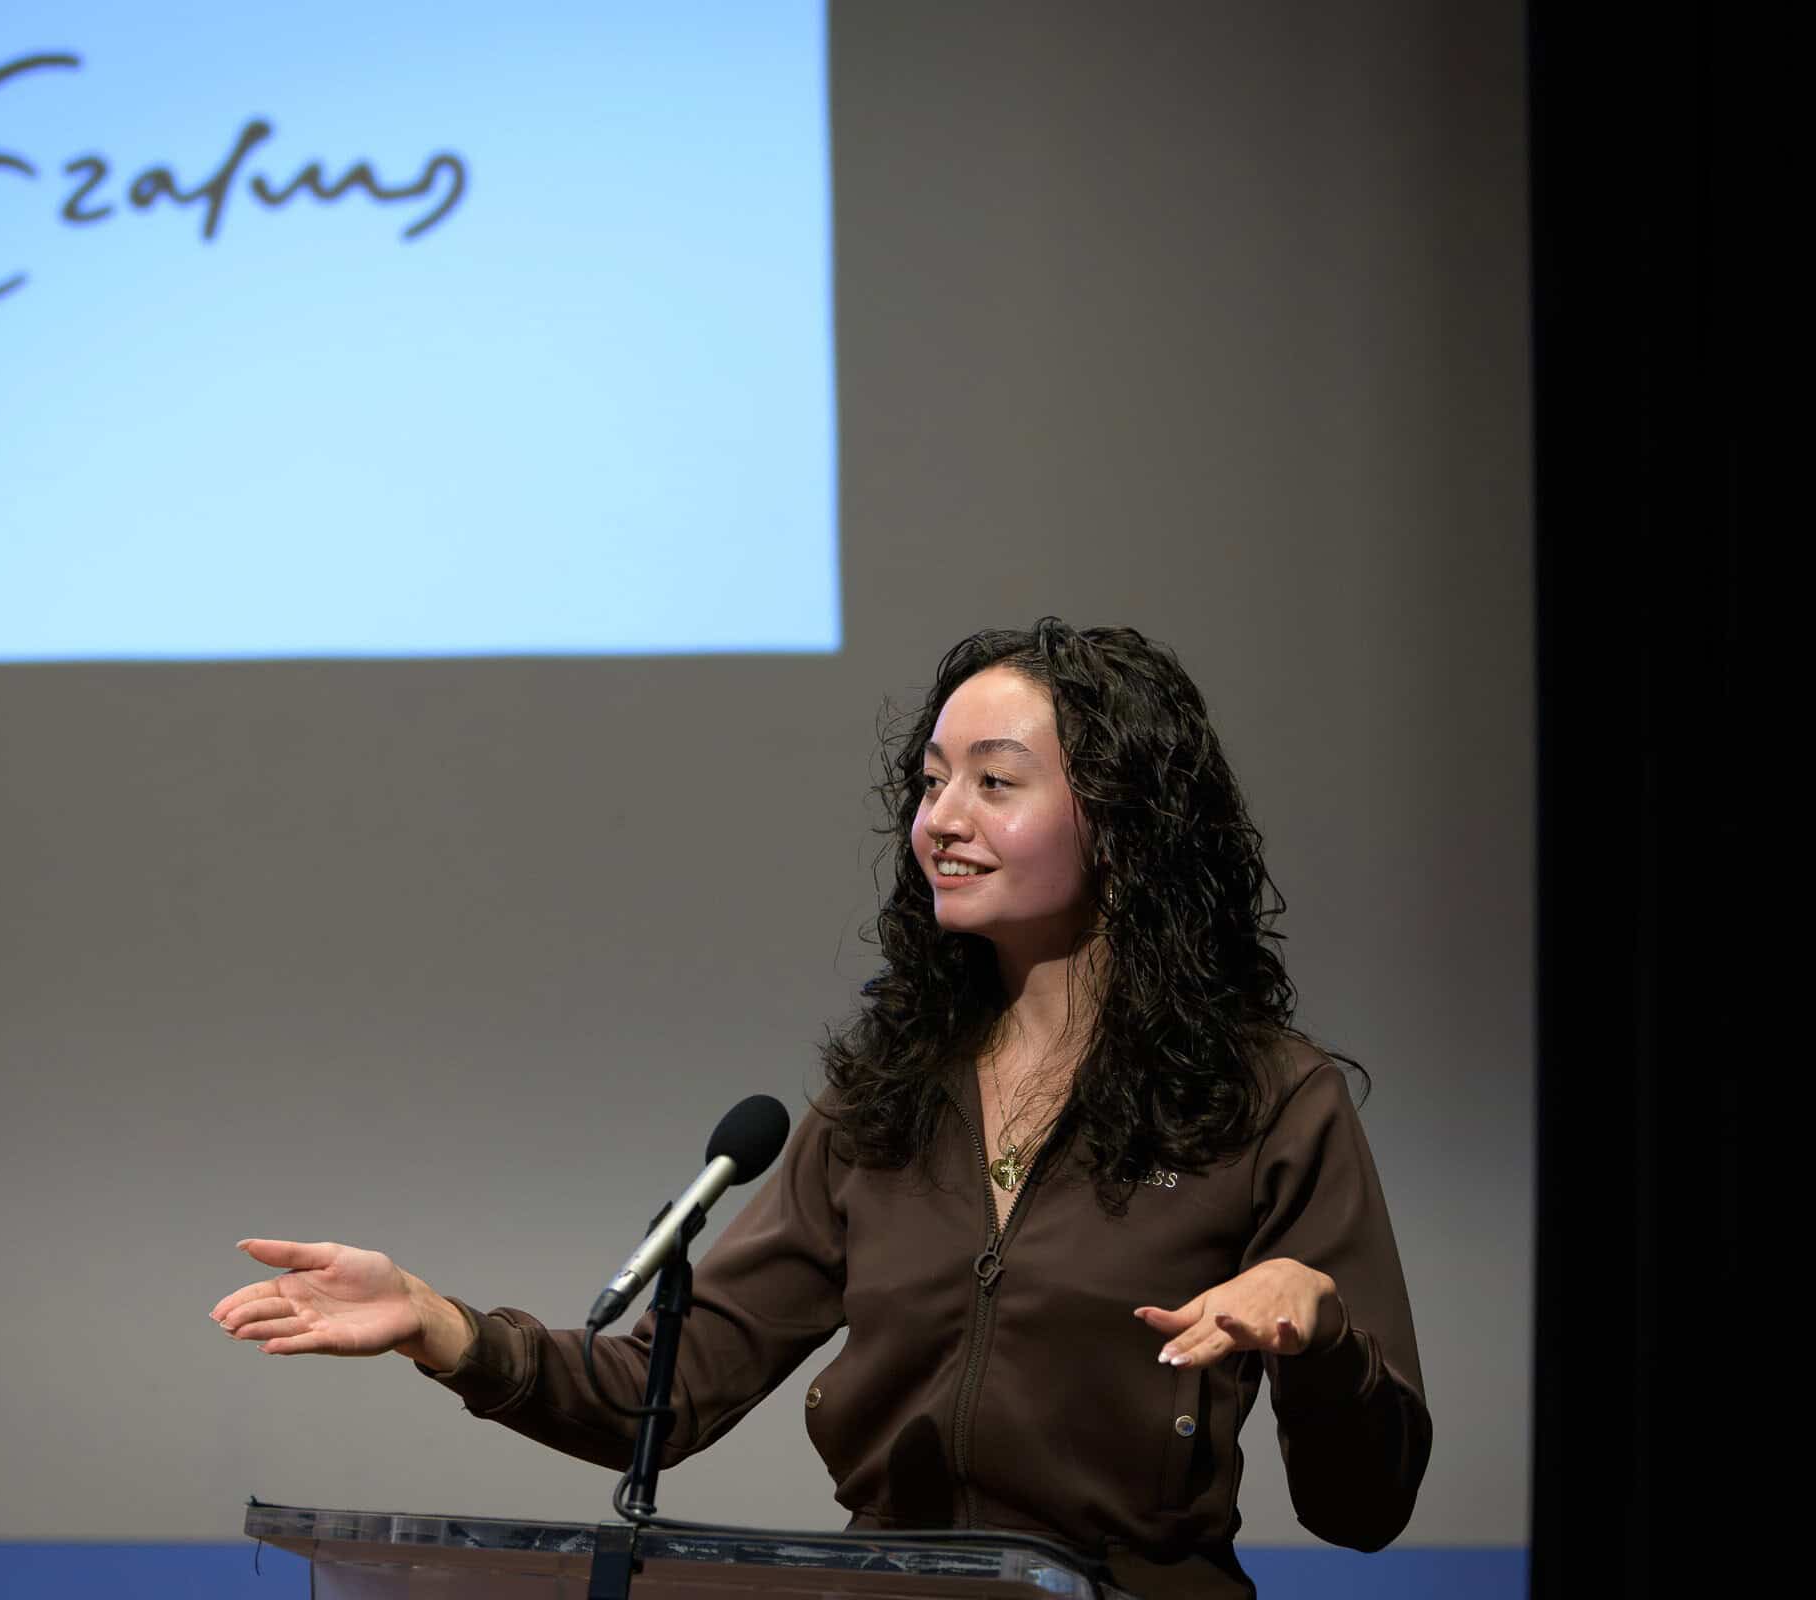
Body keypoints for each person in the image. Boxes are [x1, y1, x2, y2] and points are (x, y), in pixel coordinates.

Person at [210, 620, 1431, 1600]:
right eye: (931, 782)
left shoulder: (1267, 1098)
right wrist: (440, 1325)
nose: (941, 819)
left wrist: (1323, 1338)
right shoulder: (887, 1098)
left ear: (1122, 819)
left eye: (994, 781)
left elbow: (1365, 1508)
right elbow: (667, 1391)